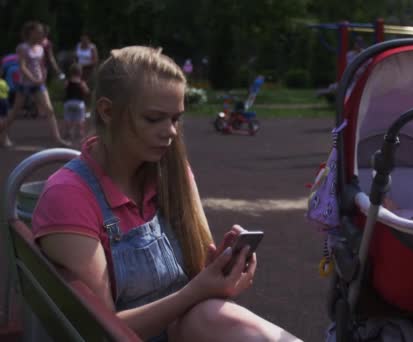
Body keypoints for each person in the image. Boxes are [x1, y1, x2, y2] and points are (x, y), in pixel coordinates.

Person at [32, 45, 301, 342]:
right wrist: (198, 290)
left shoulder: (171, 172)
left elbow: (195, 281)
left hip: (183, 327)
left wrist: (219, 271)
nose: (171, 131)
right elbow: (102, 331)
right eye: (154, 118)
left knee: (238, 327)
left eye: (175, 119)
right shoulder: (69, 196)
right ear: (107, 111)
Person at [0, 21, 70, 147]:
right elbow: (22, 67)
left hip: (39, 85)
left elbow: (41, 64)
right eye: (38, 31)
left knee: (49, 109)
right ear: (31, 32)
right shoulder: (22, 48)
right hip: (25, 85)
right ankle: (3, 135)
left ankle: (57, 138)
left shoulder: (40, 48)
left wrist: (44, 74)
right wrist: (33, 79)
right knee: (15, 112)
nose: (41, 34)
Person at [62, 63, 89, 144]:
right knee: (81, 119)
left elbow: (65, 89)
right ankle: (81, 134)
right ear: (80, 72)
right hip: (79, 103)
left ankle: (69, 132)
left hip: (69, 103)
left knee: (68, 118)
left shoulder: (67, 82)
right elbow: (87, 91)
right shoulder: (81, 83)